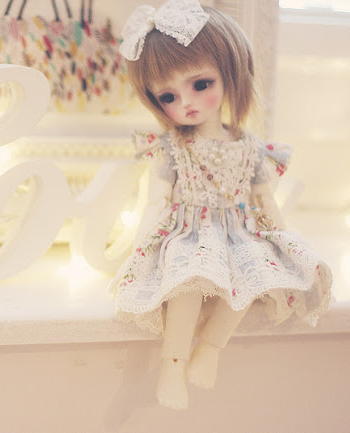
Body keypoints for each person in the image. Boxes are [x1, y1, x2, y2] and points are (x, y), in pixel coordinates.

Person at [112, 0, 332, 410]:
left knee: (252, 277)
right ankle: (173, 364)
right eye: (168, 96)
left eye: (200, 84)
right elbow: (156, 199)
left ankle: (210, 348)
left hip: (240, 232)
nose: (187, 102)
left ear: (230, 73)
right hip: (189, 232)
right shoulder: (173, 147)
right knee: (189, 280)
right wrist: (142, 246)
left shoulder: (251, 148)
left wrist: (283, 241)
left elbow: (265, 199)